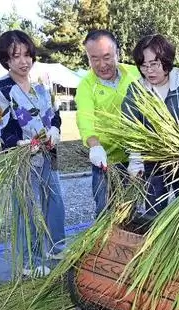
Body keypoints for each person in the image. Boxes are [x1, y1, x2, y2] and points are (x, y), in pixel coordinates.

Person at [0, 30, 66, 274]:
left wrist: (55, 128)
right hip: (21, 158)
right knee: (27, 208)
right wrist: (17, 144)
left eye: (27, 55)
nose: (24, 61)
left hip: (48, 154)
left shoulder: (41, 85)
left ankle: (57, 247)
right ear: (6, 60)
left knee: (55, 201)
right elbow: (0, 124)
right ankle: (30, 262)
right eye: (15, 56)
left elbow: (55, 115)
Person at [122, 34, 179, 212]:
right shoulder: (136, 90)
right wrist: (135, 157)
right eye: (143, 66)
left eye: (154, 64)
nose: (149, 71)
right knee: (153, 212)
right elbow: (129, 124)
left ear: (166, 61)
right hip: (152, 163)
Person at [75, 29, 137, 217]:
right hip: (105, 160)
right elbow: (85, 119)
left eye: (107, 57)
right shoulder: (86, 85)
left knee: (131, 213)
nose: (102, 65)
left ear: (118, 53)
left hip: (137, 158)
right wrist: (94, 146)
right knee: (105, 211)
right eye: (94, 59)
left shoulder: (135, 74)